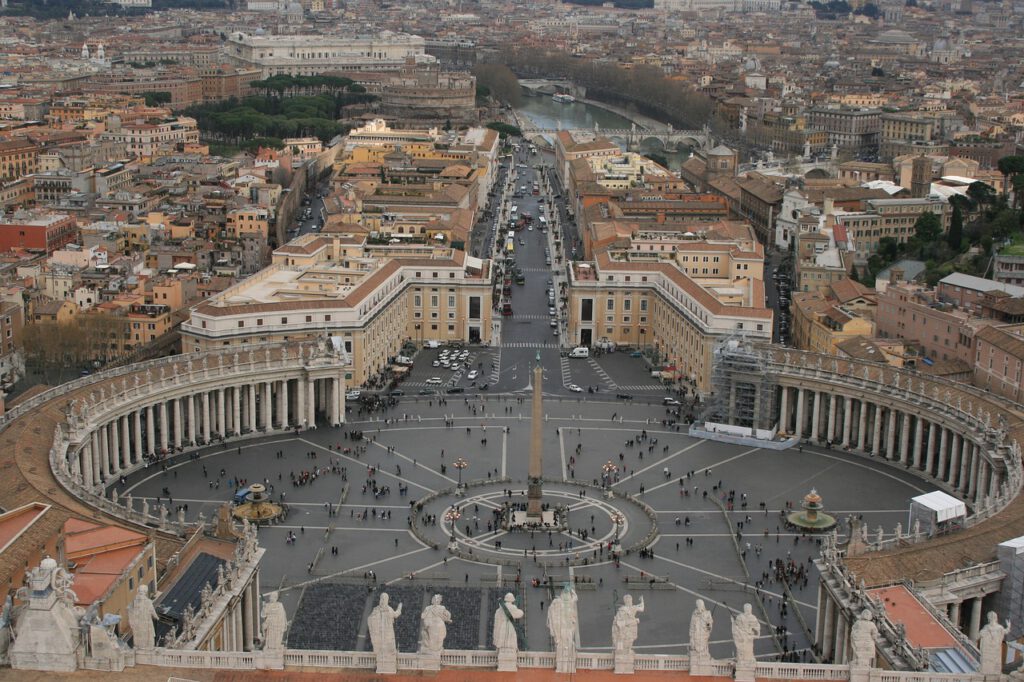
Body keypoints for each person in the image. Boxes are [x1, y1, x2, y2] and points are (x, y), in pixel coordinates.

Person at [547, 584, 579, 673]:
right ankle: (563, 663)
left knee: (565, 642)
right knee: (564, 642)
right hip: (564, 627)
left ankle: (565, 663)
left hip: (566, 627)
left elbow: (575, 597)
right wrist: (572, 590)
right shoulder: (563, 602)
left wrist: (571, 590)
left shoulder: (564, 602)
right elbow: (575, 597)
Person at [979, 611, 1011, 675]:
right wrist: (1008, 627)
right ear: (996, 618)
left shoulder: (986, 627)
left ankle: (986, 670)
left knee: (987, 662)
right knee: (994, 662)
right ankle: (994, 670)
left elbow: (981, 634)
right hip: (996, 649)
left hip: (988, 650)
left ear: (988, 619)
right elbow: (1006, 631)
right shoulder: (1000, 628)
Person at [128, 585, 159, 649]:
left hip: (138, 623)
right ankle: (146, 647)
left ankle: (140, 646)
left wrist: (132, 621)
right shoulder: (147, 601)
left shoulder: (134, 601)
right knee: (147, 635)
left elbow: (129, 610)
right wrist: (156, 617)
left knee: (140, 635)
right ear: (145, 592)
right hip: (145, 622)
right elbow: (152, 611)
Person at [731, 603, 760, 667]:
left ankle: (742, 659)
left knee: (743, 652)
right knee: (748, 652)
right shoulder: (753, 618)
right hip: (748, 639)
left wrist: (733, 621)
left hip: (742, 637)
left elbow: (736, 626)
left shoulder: (740, 617)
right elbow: (758, 630)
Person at [689, 599, 713, 664]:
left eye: (700, 604)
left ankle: (703, 657)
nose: (699, 605)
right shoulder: (694, 613)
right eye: (697, 604)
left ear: (702, 605)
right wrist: (691, 635)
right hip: (696, 633)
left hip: (703, 634)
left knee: (703, 646)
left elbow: (709, 625)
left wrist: (709, 625)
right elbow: (692, 625)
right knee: (695, 645)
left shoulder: (707, 613)